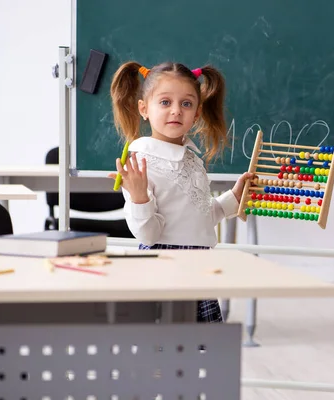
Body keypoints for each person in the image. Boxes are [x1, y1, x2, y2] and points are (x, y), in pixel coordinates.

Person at [107, 60, 254, 323]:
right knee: (163, 353)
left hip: (197, 267)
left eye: (186, 104)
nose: (176, 111)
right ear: (144, 109)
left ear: (196, 113)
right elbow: (148, 235)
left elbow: (201, 217)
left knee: (197, 354)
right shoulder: (140, 163)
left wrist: (233, 197)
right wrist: (139, 198)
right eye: (165, 102)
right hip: (163, 269)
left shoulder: (192, 158)